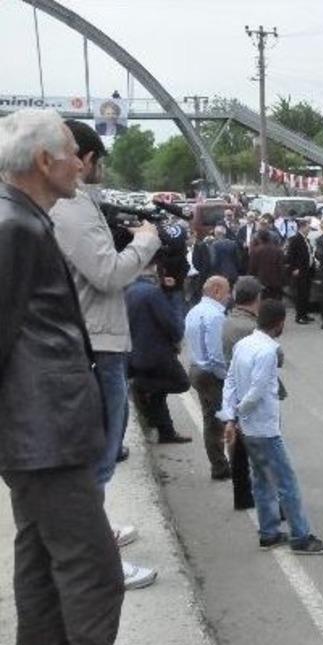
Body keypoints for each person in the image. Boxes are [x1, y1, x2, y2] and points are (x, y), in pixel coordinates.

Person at [0, 108, 182, 645]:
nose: (82, 163)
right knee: (91, 558)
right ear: (46, 162)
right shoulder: (15, 225)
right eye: (71, 154)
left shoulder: (22, 216)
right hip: (43, 422)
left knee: (38, 546)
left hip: (32, 424)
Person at [51, 119, 162, 589]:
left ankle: (98, 535)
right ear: (84, 158)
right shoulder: (72, 207)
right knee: (100, 455)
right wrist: (144, 244)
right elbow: (107, 274)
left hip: (94, 338)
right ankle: (100, 563)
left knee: (100, 454)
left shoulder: (70, 205)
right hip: (98, 343)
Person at [218, 299, 323, 554]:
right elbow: (257, 391)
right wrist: (237, 414)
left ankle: (268, 531)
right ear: (280, 324)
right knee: (287, 482)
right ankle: (301, 536)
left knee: (260, 478)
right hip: (264, 427)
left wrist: (231, 416)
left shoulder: (243, 345)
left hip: (247, 427)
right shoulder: (268, 351)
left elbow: (231, 381)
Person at [220, 276, 271, 512]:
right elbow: (274, 356)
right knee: (264, 451)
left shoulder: (229, 320)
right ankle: (270, 503)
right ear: (256, 298)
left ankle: (242, 496)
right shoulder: (251, 328)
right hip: (251, 391)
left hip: (236, 385)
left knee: (240, 450)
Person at [126, 261, 192, 446]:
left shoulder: (130, 290)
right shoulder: (152, 293)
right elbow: (174, 326)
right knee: (181, 383)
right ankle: (140, 386)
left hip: (137, 353)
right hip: (157, 354)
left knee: (158, 395)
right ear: (153, 269)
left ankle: (166, 431)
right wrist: (173, 297)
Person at [184, 275, 233, 480]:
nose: (230, 296)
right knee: (225, 420)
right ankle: (224, 466)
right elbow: (216, 355)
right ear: (216, 291)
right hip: (210, 374)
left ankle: (218, 465)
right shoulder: (215, 315)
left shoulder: (194, 311)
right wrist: (228, 378)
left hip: (196, 368)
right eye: (227, 291)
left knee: (210, 420)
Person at [284, 219, 314, 324]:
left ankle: (305, 314)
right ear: (302, 227)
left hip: (307, 270)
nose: (309, 229)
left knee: (306, 293)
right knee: (300, 294)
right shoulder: (296, 239)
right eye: (308, 227)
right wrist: (294, 268)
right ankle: (300, 316)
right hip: (300, 271)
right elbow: (291, 256)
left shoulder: (306, 239)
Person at [247, 229, 287, 300]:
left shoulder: (255, 251)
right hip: (276, 284)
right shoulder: (278, 251)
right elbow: (281, 268)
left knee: (263, 306)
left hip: (261, 283)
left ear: (259, 239)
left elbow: (252, 269)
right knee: (276, 305)